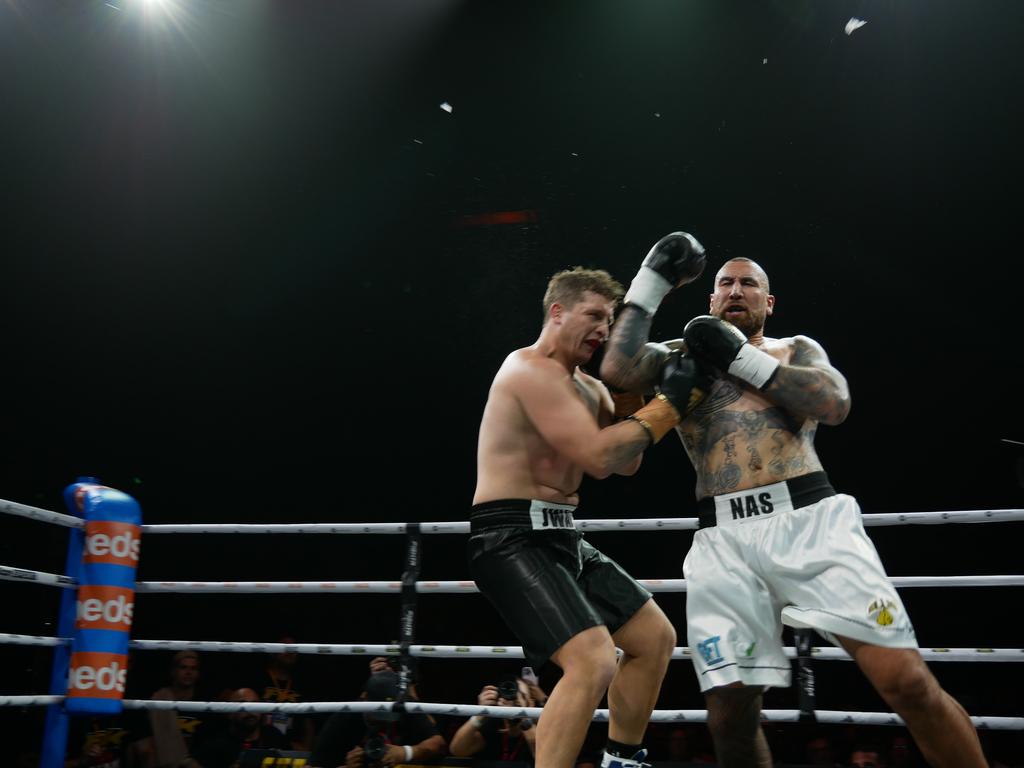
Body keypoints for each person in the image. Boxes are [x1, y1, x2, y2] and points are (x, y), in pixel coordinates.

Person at [600, 242, 989, 768]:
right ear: (710, 300)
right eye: (724, 284)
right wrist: (651, 281)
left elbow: (835, 404)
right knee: (729, 715)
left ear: (770, 301)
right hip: (724, 542)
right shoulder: (676, 358)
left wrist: (741, 359)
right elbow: (618, 370)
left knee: (907, 682)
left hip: (810, 523)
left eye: (748, 283)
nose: (735, 290)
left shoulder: (794, 349)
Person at [469, 256, 708, 768]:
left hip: (561, 536)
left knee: (654, 638)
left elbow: (628, 463)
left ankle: (622, 759)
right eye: (594, 316)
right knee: (592, 660)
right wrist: (672, 402)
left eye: (609, 319)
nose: (603, 329)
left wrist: (634, 392)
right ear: (557, 312)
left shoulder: (591, 387)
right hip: (509, 537)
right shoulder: (527, 370)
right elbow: (599, 459)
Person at [307, 671, 446, 768]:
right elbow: (311, 765)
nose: (383, 722)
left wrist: (406, 753)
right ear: (364, 699)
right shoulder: (346, 716)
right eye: (377, 715)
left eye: (388, 717)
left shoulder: (404, 707)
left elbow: (438, 743)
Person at [449, 675, 545, 763]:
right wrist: (480, 713)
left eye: (521, 696)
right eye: (511, 693)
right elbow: (457, 750)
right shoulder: (494, 725)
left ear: (531, 703)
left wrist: (522, 715)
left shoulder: (538, 728)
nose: (514, 699)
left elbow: (542, 755)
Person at [190, 687, 290, 768]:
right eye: (243, 705)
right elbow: (187, 763)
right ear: (230, 713)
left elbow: (297, 759)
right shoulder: (217, 743)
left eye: (255, 704)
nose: (250, 710)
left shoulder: (273, 735)